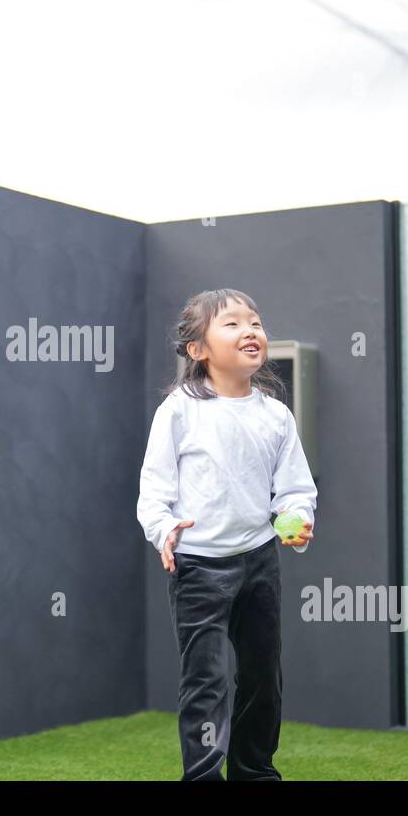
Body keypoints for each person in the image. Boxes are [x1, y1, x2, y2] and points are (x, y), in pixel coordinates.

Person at [137, 288, 317, 781]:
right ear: (198, 350)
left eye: (254, 322)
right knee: (207, 680)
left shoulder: (276, 415)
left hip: (259, 561)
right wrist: (165, 528)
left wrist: (297, 517)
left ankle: (254, 770)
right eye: (232, 324)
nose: (250, 331)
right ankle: (202, 776)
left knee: (263, 678)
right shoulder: (179, 410)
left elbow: (294, 487)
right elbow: (154, 488)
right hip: (197, 566)